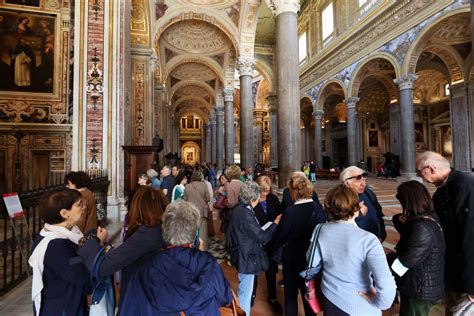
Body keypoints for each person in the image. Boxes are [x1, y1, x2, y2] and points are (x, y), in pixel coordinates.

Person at [120, 200, 233, 315]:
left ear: (164, 230)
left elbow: (129, 310)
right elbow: (225, 298)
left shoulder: (143, 269)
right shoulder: (209, 265)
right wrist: (199, 257)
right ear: (194, 234)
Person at [305, 185, 396, 315]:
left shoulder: (320, 229)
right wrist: (379, 303)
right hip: (358, 304)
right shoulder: (368, 240)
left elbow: (311, 261)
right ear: (356, 208)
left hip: (329, 296)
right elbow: (386, 286)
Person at [77, 186, 168, 312]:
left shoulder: (147, 234)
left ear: (139, 207)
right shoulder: (158, 230)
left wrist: (95, 240)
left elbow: (103, 267)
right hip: (150, 297)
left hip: (140, 303)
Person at [416, 151, 474, 311]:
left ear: (431, 169)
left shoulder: (465, 184)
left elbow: (471, 235)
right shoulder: (443, 189)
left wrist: (472, 287)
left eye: (420, 171)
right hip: (452, 269)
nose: (419, 175)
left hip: (465, 275)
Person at [29, 189, 90, 315]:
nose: (84, 207)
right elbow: (83, 279)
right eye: (79, 204)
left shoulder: (58, 232)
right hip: (62, 308)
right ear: (64, 213)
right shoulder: (57, 245)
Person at [227, 181, 282, 316]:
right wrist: (274, 224)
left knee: (245, 289)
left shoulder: (239, 209)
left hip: (241, 253)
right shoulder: (245, 213)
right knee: (245, 293)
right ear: (253, 199)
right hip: (246, 257)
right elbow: (262, 237)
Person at [390, 180, 445, 316]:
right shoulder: (428, 217)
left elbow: (405, 263)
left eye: (400, 198)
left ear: (408, 201)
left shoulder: (421, 227)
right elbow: (405, 228)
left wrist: (385, 261)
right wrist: (399, 218)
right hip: (421, 284)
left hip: (419, 288)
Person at [275, 174, 326, 316]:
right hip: (311, 259)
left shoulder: (290, 211)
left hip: (292, 258)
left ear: (295, 191)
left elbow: (281, 236)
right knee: (309, 295)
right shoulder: (318, 208)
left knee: (290, 296)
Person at [252, 175, 283, 312]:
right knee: (254, 271)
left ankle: (273, 296)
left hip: (271, 241)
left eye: (267, 191)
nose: (265, 194)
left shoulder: (273, 199)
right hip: (257, 243)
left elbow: (280, 214)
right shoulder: (252, 201)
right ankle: (251, 295)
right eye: (262, 191)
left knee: (271, 271)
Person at [341, 166, 386, 241]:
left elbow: (378, 213)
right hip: (356, 244)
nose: (363, 184)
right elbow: (338, 225)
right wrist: (358, 214)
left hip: (375, 240)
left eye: (364, 180)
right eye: (358, 181)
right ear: (347, 183)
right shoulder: (339, 199)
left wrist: (382, 234)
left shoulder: (368, 193)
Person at [183, 170, 211, 250]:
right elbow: (208, 198)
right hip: (202, 210)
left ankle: (192, 247)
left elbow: (185, 199)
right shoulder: (204, 185)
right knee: (202, 231)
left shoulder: (187, 186)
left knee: (192, 230)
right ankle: (203, 248)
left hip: (191, 211)